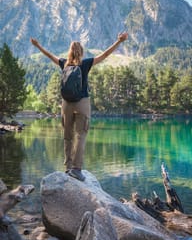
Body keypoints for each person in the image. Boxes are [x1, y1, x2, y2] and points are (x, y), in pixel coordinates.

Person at [30, 32, 128, 181]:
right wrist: (119, 42)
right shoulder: (86, 63)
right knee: (80, 135)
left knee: (67, 136)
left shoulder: (64, 63)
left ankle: (68, 167)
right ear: (81, 52)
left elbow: (49, 55)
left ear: (69, 52)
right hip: (82, 103)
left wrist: (37, 46)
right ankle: (76, 169)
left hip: (66, 104)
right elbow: (105, 54)